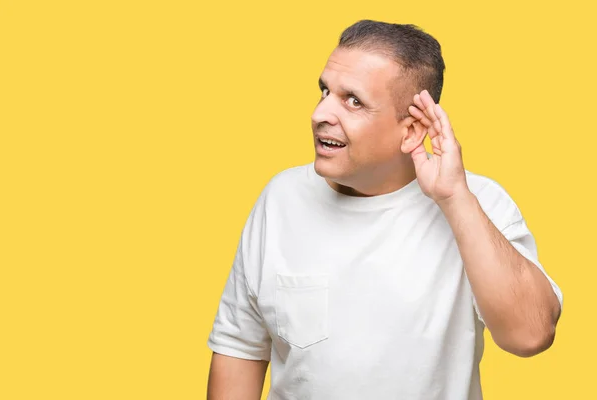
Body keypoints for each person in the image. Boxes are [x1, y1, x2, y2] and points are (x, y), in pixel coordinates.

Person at [205, 20, 563, 400]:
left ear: (410, 132)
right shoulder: (280, 199)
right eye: (324, 91)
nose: (320, 113)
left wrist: (455, 199)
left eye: (353, 101)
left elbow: (530, 334)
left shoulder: (477, 202)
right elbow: (240, 347)